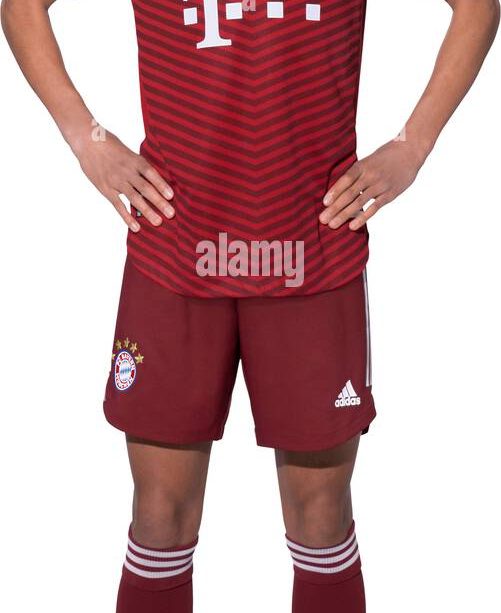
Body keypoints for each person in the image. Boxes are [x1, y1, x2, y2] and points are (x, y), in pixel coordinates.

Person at [2, 0, 499, 611]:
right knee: (159, 517)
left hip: (312, 250)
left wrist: (412, 145)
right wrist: (87, 139)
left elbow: (477, 7)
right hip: (176, 248)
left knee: (321, 518)